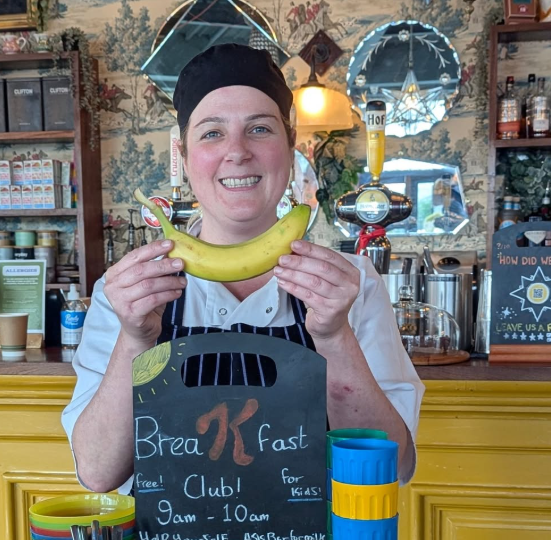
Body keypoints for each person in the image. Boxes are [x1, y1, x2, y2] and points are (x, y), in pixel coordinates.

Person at [62, 44, 424, 494]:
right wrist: (136, 340)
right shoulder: (129, 290)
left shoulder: (352, 284)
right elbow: (97, 472)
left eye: (259, 129)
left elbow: (393, 464)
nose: (237, 152)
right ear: (185, 155)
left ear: (289, 147)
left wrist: (334, 338)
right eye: (212, 133)